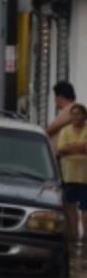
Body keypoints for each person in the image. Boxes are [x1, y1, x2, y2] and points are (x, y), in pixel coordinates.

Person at [56, 103, 87, 242]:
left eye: (78, 114)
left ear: (84, 116)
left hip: (85, 177)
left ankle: (85, 238)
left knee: (85, 210)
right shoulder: (65, 131)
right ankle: (73, 238)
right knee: (70, 209)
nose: (75, 116)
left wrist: (71, 147)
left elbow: (67, 149)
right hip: (69, 176)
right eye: (72, 114)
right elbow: (61, 149)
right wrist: (80, 147)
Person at [47, 81, 77, 148]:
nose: (54, 100)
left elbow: (50, 129)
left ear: (60, 97)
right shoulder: (68, 109)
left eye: (55, 97)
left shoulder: (71, 109)